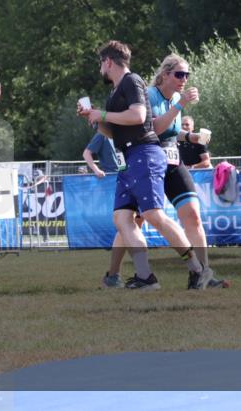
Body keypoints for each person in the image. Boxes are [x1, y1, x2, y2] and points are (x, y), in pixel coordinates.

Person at [78, 41, 212, 291]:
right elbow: (114, 131)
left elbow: (139, 117)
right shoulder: (115, 91)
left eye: (100, 63)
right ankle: (145, 276)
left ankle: (197, 269)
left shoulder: (132, 81)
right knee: (122, 219)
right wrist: (95, 119)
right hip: (129, 158)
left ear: (108, 61)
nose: (100, 69)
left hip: (144, 154)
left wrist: (103, 115)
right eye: (180, 74)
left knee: (153, 215)